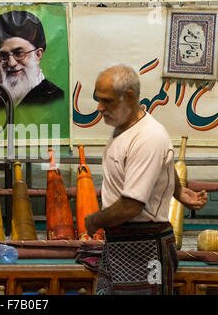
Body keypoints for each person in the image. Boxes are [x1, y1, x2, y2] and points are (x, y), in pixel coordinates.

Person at [84, 64, 208, 295]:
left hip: (145, 247)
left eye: (106, 100)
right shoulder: (125, 130)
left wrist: (94, 220)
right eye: (98, 100)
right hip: (119, 243)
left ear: (129, 97)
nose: (99, 107)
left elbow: (131, 205)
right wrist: (178, 191)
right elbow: (163, 163)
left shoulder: (148, 136)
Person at [0, 10, 64, 107]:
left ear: (38, 55)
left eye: (19, 53)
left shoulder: (55, 98)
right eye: (4, 55)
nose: (11, 63)